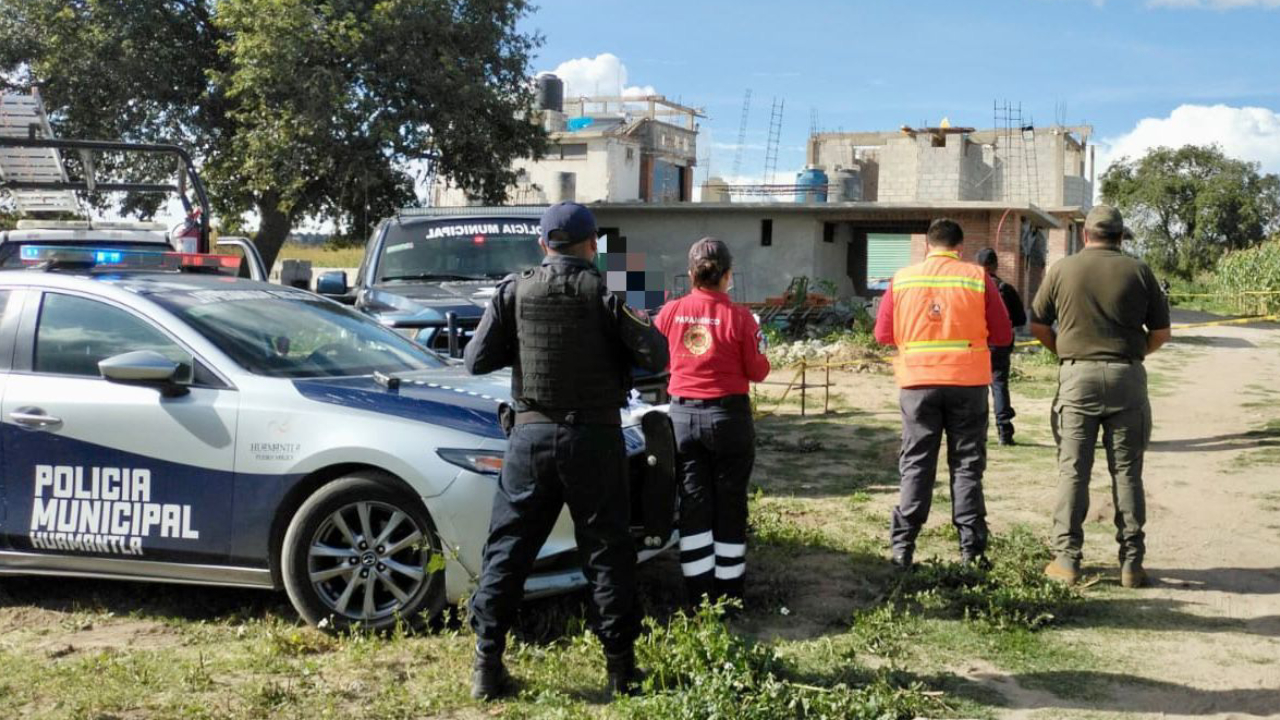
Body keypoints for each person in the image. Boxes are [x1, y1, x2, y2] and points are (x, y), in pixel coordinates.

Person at [463, 202, 670, 700]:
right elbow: (656, 354)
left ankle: (486, 667)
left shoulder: (513, 291)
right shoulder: (608, 292)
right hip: (593, 440)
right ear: (592, 244)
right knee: (607, 553)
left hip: (530, 439)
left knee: (508, 551)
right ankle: (620, 669)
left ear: (543, 245)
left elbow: (474, 362)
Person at [1029, 205, 1170, 589]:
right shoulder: (1140, 271)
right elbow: (1161, 333)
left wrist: (1063, 351)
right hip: (1127, 377)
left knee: (1074, 471)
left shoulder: (1062, 269)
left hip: (1078, 377)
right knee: (1127, 473)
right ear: (1121, 236)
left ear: (1085, 234)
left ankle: (1067, 560)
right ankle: (1131, 564)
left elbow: (1038, 322)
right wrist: (1133, 351)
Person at [874, 219, 1013, 568]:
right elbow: (1003, 334)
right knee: (967, 465)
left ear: (926, 247)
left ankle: (903, 547)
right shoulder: (977, 278)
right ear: (960, 249)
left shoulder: (902, 279)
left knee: (917, 463)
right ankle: (971, 550)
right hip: (968, 384)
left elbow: (883, 334)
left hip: (918, 385)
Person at [654, 238, 771, 606]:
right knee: (730, 504)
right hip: (729, 419)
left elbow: (656, 359)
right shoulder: (741, 318)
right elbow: (758, 371)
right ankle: (729, 594)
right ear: (728, 275)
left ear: (691, 275)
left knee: (693, 504)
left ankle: (698, 595)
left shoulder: (669, 312)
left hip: (683, 418)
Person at [974, 247, 1027, 445]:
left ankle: (978, 432)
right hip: (1000, 345)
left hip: (976, 345)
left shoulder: (970, 289)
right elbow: (1021, 319)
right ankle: (1004, 431)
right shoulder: (1006, 288)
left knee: (977, 389)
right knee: (999, 386)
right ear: (995, 265)